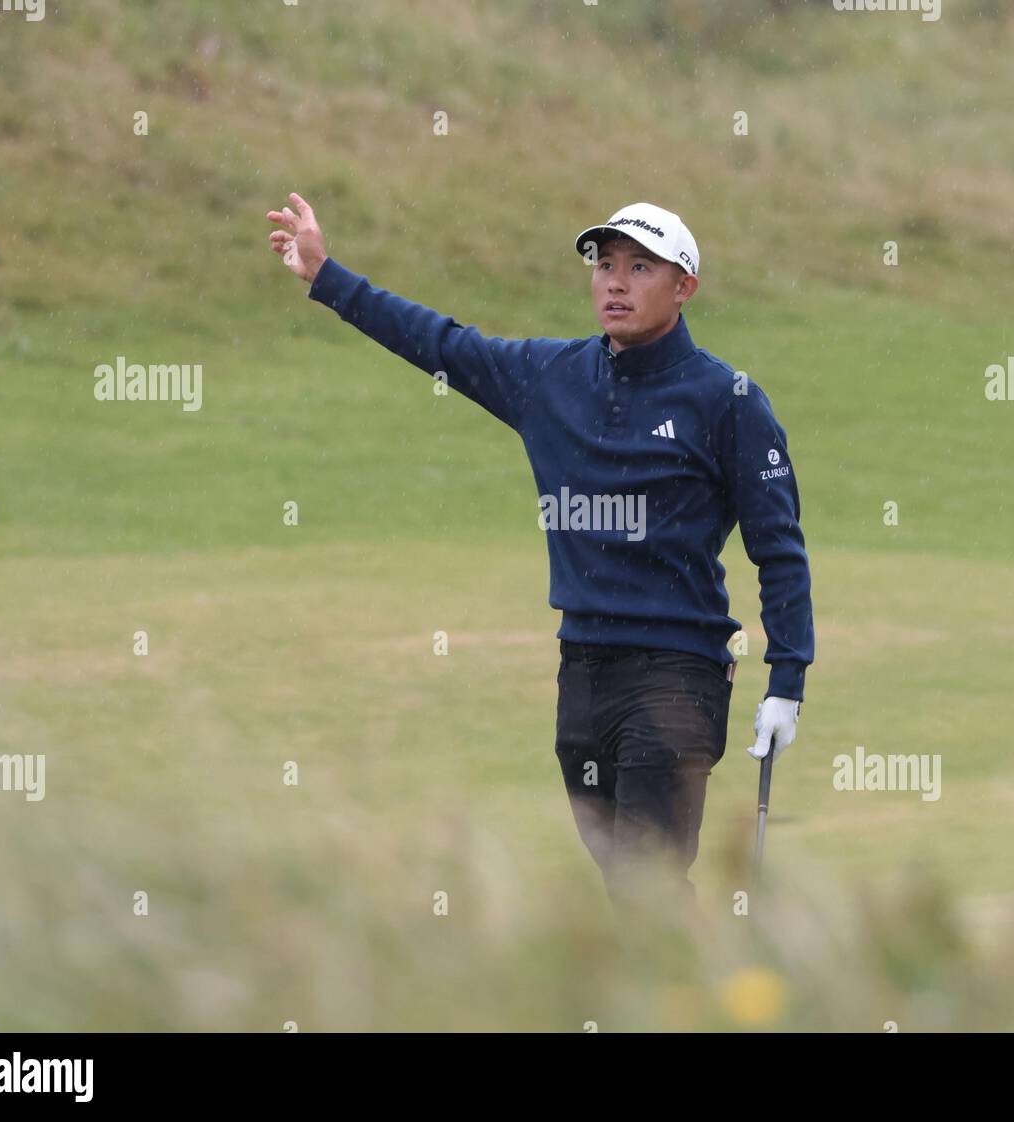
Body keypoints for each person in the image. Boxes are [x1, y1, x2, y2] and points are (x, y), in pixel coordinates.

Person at [267, 195, 814, 917]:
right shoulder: (549, 377)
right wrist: (327, 276)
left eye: (640, 267)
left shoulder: (728, 400)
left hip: (678, 677)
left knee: (644, 881)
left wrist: (787, 678)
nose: (614, 282)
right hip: (583, 671)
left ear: (684, 287)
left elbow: (777, 545)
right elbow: (440, 343)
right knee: (623, 878)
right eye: (605, 265)